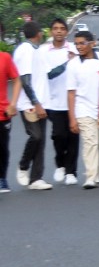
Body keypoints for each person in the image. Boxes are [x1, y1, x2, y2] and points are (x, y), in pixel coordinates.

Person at [66, 30, 99, 188]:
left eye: (82, 43)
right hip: (83, 109)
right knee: (90, 142)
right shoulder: (73, 65)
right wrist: (72, 118)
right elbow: (71, 93)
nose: (79, 47)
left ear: (92, 44)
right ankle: (91, 176)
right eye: (77, 44)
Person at [13, 21, 52, 190]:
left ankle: (36, 178)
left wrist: (67, 63)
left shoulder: (38, 50)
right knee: (35, 136)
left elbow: (48, 74)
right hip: (30, 103)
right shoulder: (25, 50)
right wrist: (36, 103)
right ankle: (23, 165)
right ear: (38, 33)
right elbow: (25, 79)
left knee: (41, 140)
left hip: (42, 102)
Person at [41, 18, 79, 185]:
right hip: (53, 101)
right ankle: (60, 165)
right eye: (55, 28)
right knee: (58, 135)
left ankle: (71, 171)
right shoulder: (43, 51)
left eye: (62, 28)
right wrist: (67, 63)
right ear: (51, 31)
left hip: (74, 101)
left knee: (73, 137)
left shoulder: (74, 49)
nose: (58, 31)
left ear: (66, 31)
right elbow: (47, 75)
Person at [0, 47, 21, 193]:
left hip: (2, 112)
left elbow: (17, 80)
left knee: (2, 148)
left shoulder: (5, 58)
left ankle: (2, 178)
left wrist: (13, 104)